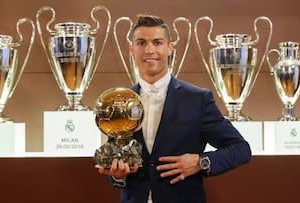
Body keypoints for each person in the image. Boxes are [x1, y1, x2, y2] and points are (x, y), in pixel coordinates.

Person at [98, 14, 251, 203]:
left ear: (170, 48)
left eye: (157, 42)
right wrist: (117, 175)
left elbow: (241, 149)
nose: (149, 50)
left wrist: (201, 162)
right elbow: (113, 162)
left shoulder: (198, 99)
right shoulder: (119, 103)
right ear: (132, 49)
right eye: (141, 43)